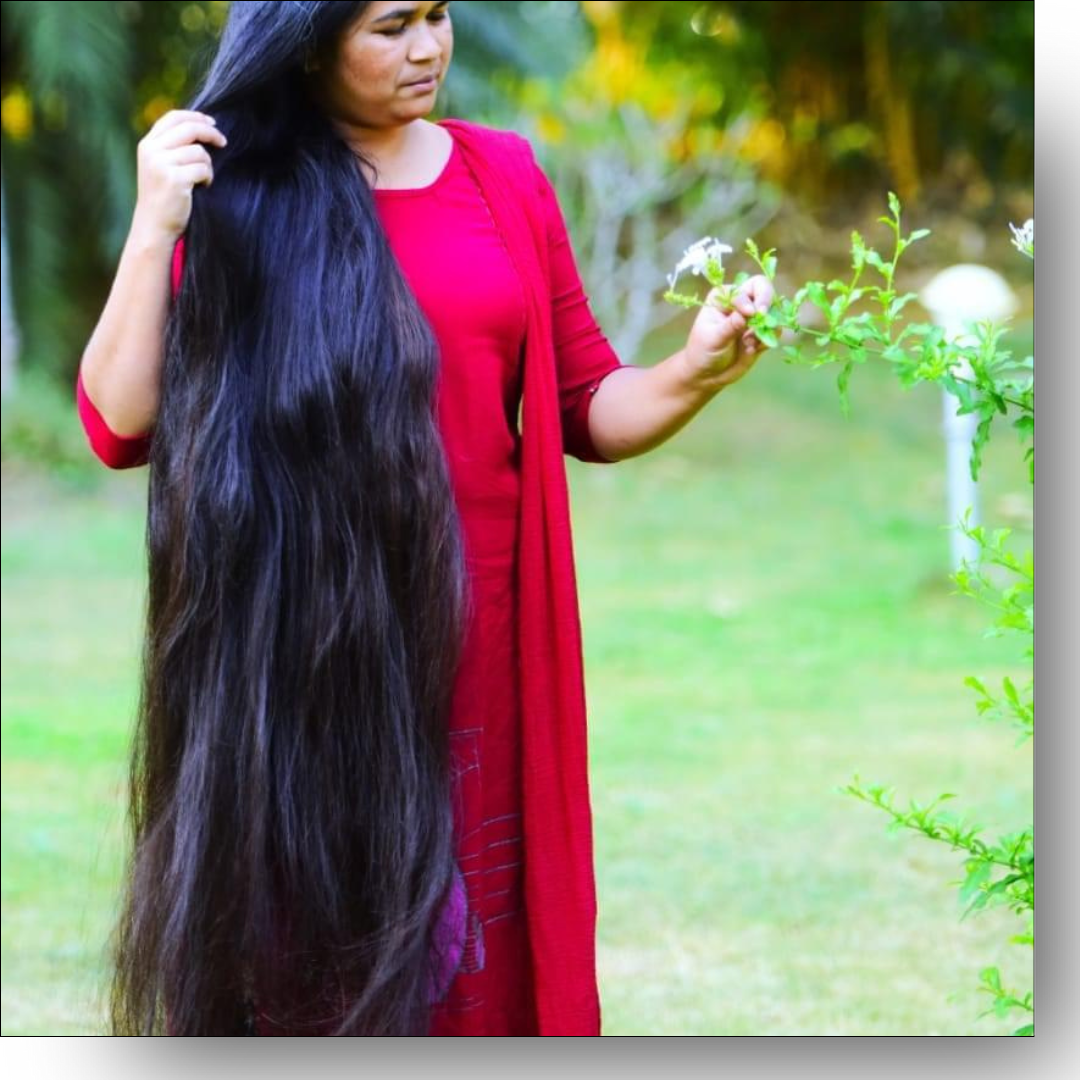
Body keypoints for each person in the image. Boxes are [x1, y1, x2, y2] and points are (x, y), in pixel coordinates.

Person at [76, 0, 772, 1037]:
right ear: (307, 40)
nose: (429, 47)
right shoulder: (240, 187)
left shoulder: (502, 177)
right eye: (392, 25)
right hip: (303, 654)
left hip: (482, 638)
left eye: (439, 15)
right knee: (313, 967)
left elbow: (587, 404)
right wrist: (152, 227)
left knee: (480, 965)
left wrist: (692, 370)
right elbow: (118, 421)